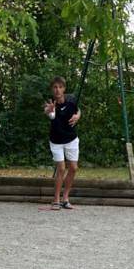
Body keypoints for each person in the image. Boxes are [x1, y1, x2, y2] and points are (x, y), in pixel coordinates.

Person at [44, 76, 81, 209]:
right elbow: (50, 114)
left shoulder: (71, 100)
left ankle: (65, 198)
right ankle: (56, 200)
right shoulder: (50, 104)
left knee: (73, 168)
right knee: (61, 168)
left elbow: (78, 110)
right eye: (55, 87)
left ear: (64, 89)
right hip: (56, 141)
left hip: (71, 139)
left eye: (60, 87)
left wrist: (77, 116)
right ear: (52, 89)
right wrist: (50, 111)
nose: (57, 90)